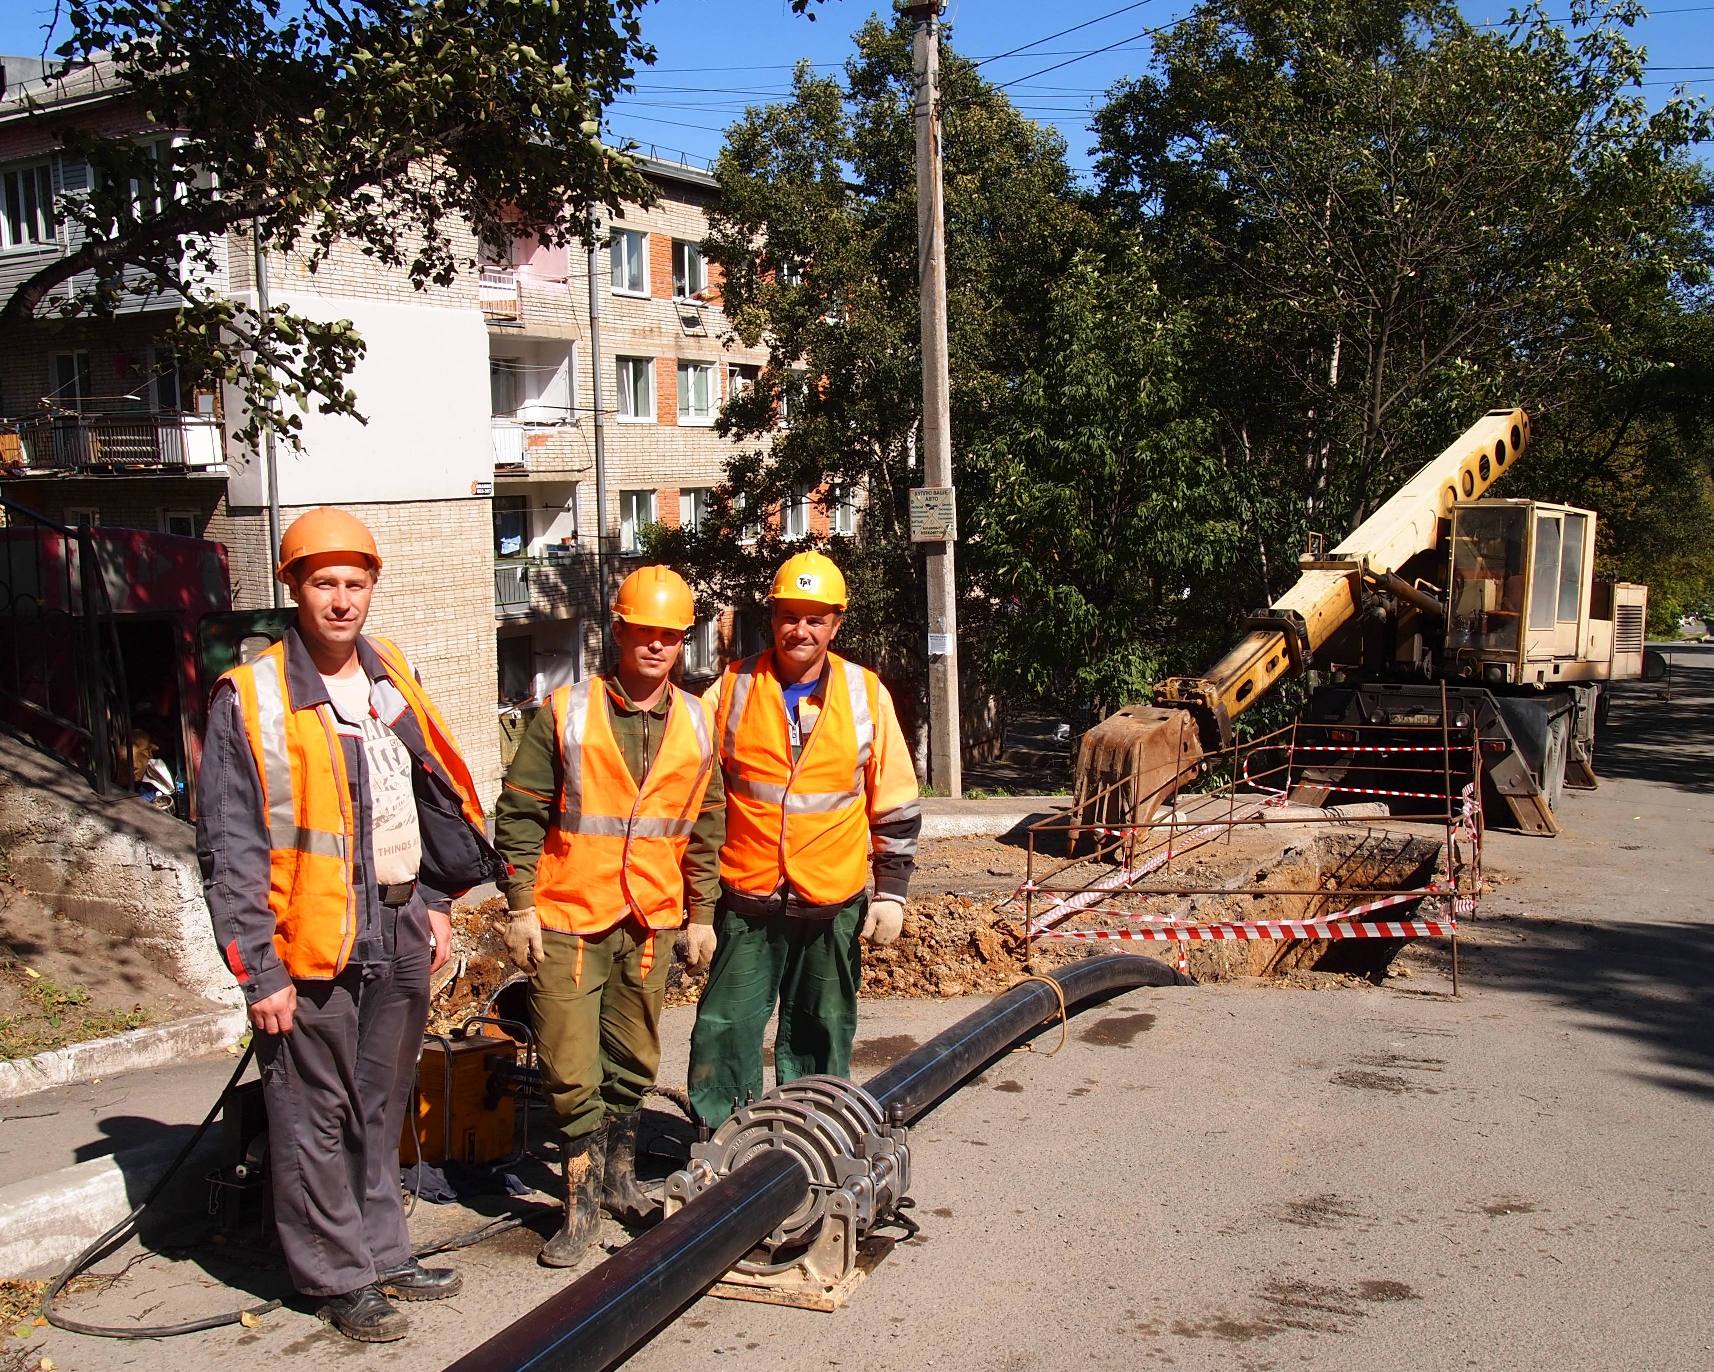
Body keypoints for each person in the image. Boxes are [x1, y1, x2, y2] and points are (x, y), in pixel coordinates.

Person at [196, 507, 502, 1343]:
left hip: (400, 929)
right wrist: (259, 972)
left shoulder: (388, 669)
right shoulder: (251, 695)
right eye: (324, 583)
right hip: (310, 944)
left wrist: (437, 902)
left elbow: (429, 795)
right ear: (293, 588)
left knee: (380, 1102)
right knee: (312, 1115)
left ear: (373, 587)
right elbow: (229, 845)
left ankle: (383, 1251)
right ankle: (337, 1278)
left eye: (355, 584)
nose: (341, 600)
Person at [494, 565, 725, 1267]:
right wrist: (520, 906)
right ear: (618, 633)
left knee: (633, 1059)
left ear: (682, 642)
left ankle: (620, 1178)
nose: (655, 647)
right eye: (643, 633)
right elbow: (521, 811)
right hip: (568, 914)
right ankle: (580, 1202)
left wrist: (701, 912)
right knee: (569, 1065)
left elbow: (706, 824)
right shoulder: (565, 712)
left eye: (669, 636)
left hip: (649, 917)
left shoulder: (695, 720)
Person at [685, 551, 921, 1127]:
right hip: (747, 897)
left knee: (822, 1027)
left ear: (836, 624)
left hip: (831, 900)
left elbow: (892, 797)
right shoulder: (731, 689)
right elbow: (691, 792)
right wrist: (692, 906)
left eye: (816, 619)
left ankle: (810, 1139)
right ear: (773, 619)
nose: (802, 630)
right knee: (727, 1029)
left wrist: (890, 891)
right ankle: (722, 1146)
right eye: (791, 616)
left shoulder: (866, 694)